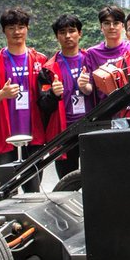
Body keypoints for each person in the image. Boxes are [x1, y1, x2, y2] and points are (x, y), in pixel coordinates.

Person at [0, 7, 48, 193]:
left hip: (33, 137)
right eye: (11, 28)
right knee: (5, 191)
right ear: (3, 31)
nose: (17, 32)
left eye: (21, 27)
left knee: (33, 190)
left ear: (27, 28)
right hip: (4, 138)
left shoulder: (41, 61)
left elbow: (48, 100)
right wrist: (1, 94)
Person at [38, 13, 87, 178]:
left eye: (72, 31)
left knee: (94, 180)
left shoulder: (90, 60)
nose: (67, 36)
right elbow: (43, 105)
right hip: (64, 132)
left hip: (90, 127)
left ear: (80, 33)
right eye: (62, 32)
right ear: (56, 36)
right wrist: (53, 94)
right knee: (67, 182)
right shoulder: (48, 69)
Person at [77, 4, 130, 107]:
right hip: (106, 109)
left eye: (116, 23)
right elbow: (89, 89)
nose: (111, 27)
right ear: (101, 27)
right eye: (107, 23)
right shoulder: (92, 53)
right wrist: (83, 85)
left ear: (123, 26)